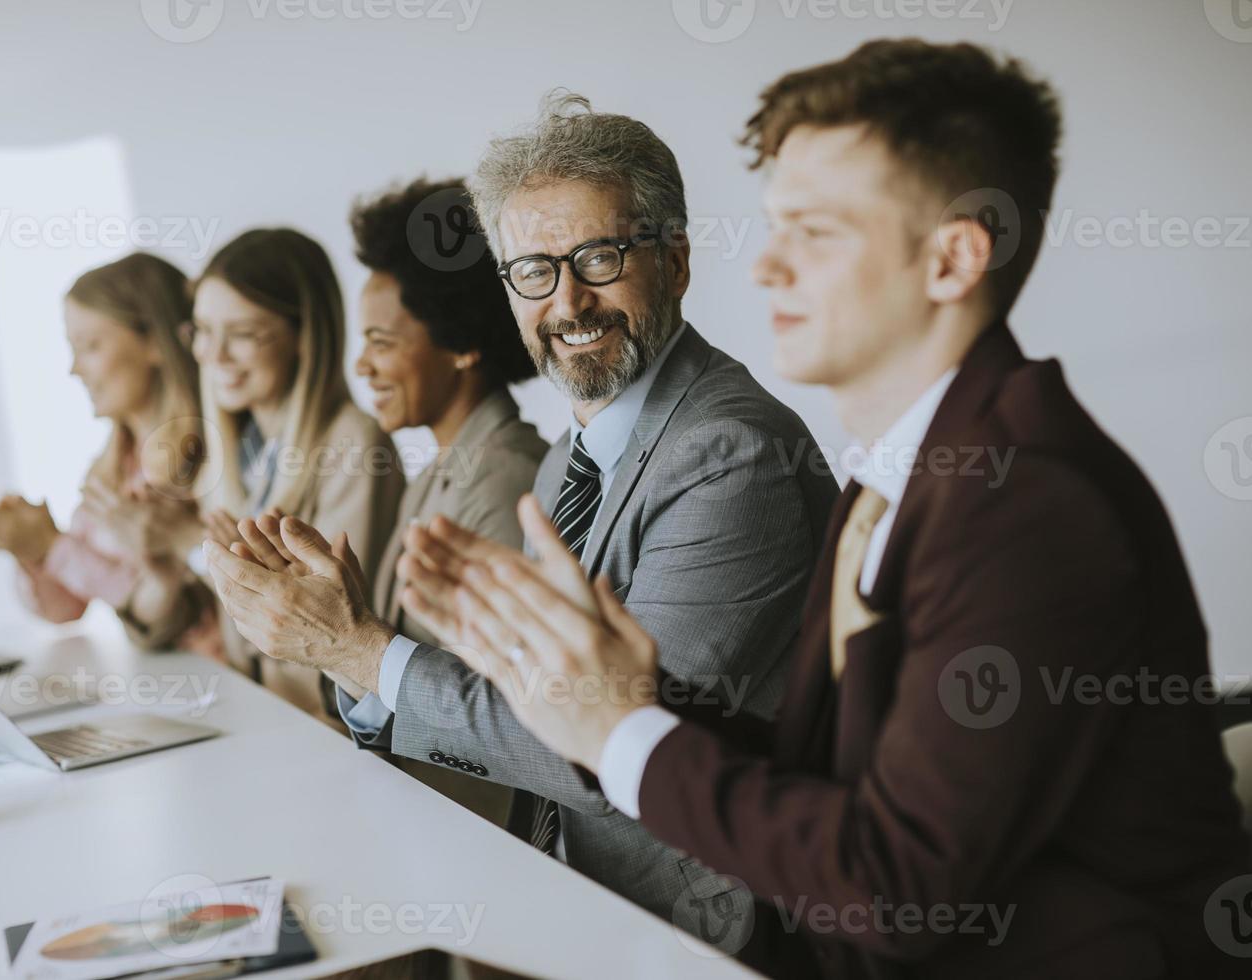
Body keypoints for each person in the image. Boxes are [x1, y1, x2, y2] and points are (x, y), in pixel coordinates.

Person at [411, 41, 1252, 978]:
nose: (766, 266)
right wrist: (617, 690)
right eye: (774, 227)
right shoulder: (896, 476)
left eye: (815, 232)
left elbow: (894, 887)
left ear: (952, 259)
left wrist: (622, 730)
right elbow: (821, 770)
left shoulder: (1029, 505)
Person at [203, 93, 840, 940]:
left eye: (599, 258)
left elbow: (614, 743)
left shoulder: (731, 456)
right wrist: (351, 649)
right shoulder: (561, 462)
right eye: (534, 272)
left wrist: (357, 647)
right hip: (566, 890)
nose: (568, 302)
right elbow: (515, 701)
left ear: (677, 262)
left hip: (701, 933)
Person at [318, 177, 546, 823]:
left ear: (463, 345)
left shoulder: (506, 485)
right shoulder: (445, 464)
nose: (361, 367)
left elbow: (491, 724)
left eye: (382, 343)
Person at [150, 229, 405, 719]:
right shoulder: (238, 449)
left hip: (328, 733)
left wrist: (215, 558)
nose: (213, 354)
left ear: (304, 337)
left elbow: (338, 640)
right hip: (267, 717)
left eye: (242, 334)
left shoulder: (354, 444)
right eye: (202, 330)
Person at [0, 253, 205, 635]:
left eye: (90, 346)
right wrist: (31, 549)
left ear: (154, 341)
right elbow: (67, 607)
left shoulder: (204, 462)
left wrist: (55, 549)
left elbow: (162, 608)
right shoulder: (113, 466)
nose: (74, 368)